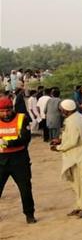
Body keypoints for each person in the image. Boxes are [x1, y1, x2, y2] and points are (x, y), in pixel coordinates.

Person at [52, 99, 82, 217]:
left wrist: (58, 147)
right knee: (76, 184)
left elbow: (73, 141)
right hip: (79, 155)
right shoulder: (78, 118)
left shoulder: (73, 122)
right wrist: (61, 140)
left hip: (78, 156)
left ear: (65, 110)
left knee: (81, 184)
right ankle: (79, 206)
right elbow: (72, 137)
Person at [0, 95, 37, 224]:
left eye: (8, 110)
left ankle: (29, 214)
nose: (5, 114)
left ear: (12, 108)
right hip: (1, 160)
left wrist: (8, 143)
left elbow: (25, 138)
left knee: (25, 189)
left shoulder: (22, 118)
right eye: (2, 111)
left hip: (19, 160)